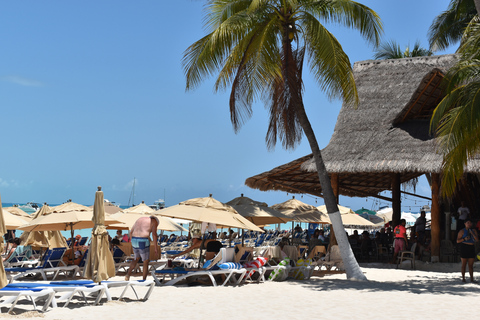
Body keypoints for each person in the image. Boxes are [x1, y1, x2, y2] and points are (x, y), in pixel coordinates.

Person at [125, 216, 159, 281]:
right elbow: (154, 234)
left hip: (134, 240)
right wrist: (155, 247)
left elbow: (131, 232)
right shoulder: (154, 221)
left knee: (136, 259)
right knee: (145, 261)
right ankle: (144, 280)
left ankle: (128, 274)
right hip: (143, 240)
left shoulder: (139, 219)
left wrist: (133, 241)